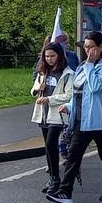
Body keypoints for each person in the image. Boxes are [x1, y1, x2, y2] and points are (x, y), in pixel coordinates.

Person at [45, 31, 102, 203]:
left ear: (101, 47)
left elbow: (95, 87)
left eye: (91, 47)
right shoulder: (81, 67)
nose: (87, 51)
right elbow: (78, 93)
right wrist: (70, 106)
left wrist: (89, 65)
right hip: (83, 120)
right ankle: (65, 191)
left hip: (101, 121)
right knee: (73, 155)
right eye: (85, 47)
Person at [31, 44, 73, 194]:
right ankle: (53, 177)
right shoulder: (43, 72)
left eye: (52, 56)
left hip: (57, 114)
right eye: (47, 56)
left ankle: (56, 178)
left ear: (59, 56)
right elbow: (34, 89)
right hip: (43, 113)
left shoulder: (68, 73)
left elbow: (68, 95)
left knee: (51, 143)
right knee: (48, 147)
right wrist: (37, 89)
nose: (49, 59)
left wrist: (50, 99)